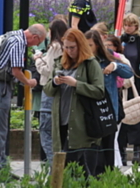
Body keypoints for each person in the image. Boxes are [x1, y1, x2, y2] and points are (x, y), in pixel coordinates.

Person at [0, 25, 46, 183]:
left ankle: (1, 168)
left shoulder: (12, 35)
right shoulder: (19, 42)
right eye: (38, 42)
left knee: (1, 129)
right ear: (35, 37)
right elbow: (16, 71)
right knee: (0, 130)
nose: (34, 45)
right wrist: (29, 82)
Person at [44, 28, 104, 176]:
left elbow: (99, 91)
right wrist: (55, 82)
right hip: (61, 121)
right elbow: (48, 90)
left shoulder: (91, 63)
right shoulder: (60, 62)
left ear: (80, 46)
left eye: (72, 47)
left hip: (81, 123)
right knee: (70, 166)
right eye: (66, 47)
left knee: (75, 165)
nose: (69, 51)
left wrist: (76, 84)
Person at [84, 30, 133, 174]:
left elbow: (128, 72)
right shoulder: (83, 59)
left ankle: (107, 179)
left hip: (107, 111)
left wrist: (115, 66)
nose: (88, 48)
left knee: (107, 151)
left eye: (91, 45)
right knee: (92, 151)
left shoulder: (107, 57)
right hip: (89, 112)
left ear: (98, 45)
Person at [34, 19, 67, 167]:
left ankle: (53, 165)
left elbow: (48, 71)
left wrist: (38, 59)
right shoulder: (65, 47)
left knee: (45, 129)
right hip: (61, 93)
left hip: (49, 90)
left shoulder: (55, 47)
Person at [118, 13, 140, 166]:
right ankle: (122, 151)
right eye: (126, 25)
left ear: (136, 26)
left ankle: (137, 152)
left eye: (131, 25)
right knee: (122, 117)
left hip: (136, 84)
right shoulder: (119, 42)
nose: (128, 28)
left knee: (137, 116)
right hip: (122, 83)